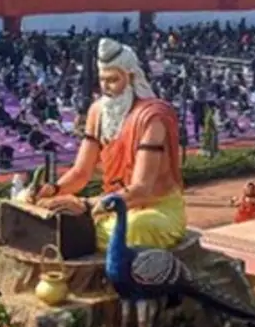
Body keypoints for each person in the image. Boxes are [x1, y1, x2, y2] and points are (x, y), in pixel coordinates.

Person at [36, 38, 186, 250]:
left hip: (154, 208)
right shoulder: (97, 112)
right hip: (110, 204)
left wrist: (86, 205)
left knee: (137, 226)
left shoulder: (152, 118)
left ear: (131, 77)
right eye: (102, 80)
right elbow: (81, 172)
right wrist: (54, 189)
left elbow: (142, 189)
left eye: (113, 80)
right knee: (37, 204)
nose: (106, 87)